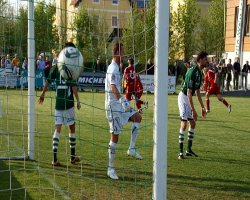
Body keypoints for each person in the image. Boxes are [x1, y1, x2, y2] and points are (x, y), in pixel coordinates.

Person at [38, 42, 81, 166]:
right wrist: (78, 100)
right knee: (72, 127)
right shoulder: (71, 67)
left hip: (58, 104)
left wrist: (42, 94)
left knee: (57, 129)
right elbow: (73, 87)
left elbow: (48, 81)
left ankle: (54, 159)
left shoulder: (56, 66)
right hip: (68, 104)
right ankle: (72, 157)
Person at [105, 42, 143, 180]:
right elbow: (113, 87)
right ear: (118, 53)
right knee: (115, 137)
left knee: (137, 117)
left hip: (119, 106)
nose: (124, 54)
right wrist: (123, 101)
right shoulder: (113, 68)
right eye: (123, 51)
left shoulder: (117, 67)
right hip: (113, 107)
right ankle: (110, 168)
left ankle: (131, 148)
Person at [177, 51, 207, 160]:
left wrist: (202, 107)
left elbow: (197, 93)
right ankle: (180, 153)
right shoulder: (193, 72)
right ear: (199, 60)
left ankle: (188, 150)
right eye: (205, 59)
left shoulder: (200, 73)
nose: (206, 61)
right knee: (184, 124)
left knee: (193, 123)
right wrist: (194, 110)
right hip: (183, 97)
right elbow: (189, 93)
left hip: (188, 97)